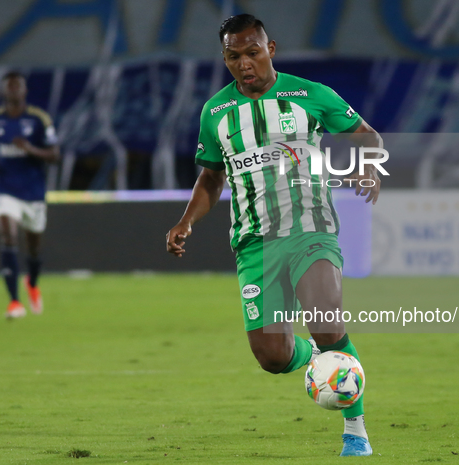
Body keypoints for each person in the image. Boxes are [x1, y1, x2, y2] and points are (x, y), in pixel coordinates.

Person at [166, 14, 382, 457]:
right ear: (224, 58)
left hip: (310, 230)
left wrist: (369, 165)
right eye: (233, 56)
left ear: (271, 49)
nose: (244, 63)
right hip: (254, 244)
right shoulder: (216, 113)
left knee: (325, 320)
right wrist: (186, 221)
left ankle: (355, 428)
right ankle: (316, 362)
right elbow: (211, 178)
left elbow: (366, 135)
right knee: (272, 356)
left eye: (252, 52)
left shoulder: (310, 95)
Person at [0, 71, 60, 318]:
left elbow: (55, 155)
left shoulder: (39, 119)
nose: (14, 89)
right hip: (5, 188)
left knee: (34, 249)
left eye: (18, 86)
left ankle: (32, 283)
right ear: (4, 91)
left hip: (33, 192)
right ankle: (14, 302)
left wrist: (30, 149)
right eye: (10, 86)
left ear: (25, 91)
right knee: (8, 237)